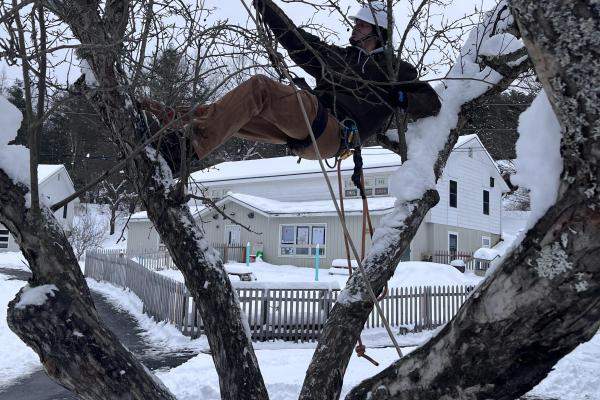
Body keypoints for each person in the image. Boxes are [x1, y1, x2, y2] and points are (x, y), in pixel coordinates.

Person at [141, 0, 441, 174]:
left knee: (261, 88)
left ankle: (187, 151)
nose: (355, 28)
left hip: (335, 131)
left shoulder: (394, 70)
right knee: (230, 112)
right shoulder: (337, 58)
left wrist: (400, 95)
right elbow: (296, 38)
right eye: (357, 24)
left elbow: (431, 102)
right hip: (307, 129)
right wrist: (263, 5)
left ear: (378, 32)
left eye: (362, 25)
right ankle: (160, 124)